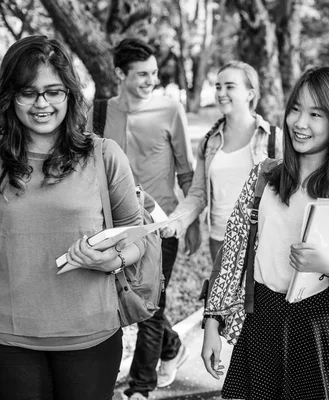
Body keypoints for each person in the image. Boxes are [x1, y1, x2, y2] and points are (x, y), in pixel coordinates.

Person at [200, 66, 329, 400]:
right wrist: (213, 321)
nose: (299, 123)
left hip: (320, 327)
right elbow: (234, 251)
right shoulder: (265, 176)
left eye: (315, 114)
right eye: (295, 108)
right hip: (262, 321)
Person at [0, 35, 145, 400]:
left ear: (69, 93)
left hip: (90, 337)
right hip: (8, 339)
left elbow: (139, 238)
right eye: (28, 92)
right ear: (9, 96)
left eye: (53, 91)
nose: (42, 104)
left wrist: (111, 260)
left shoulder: (103, 155)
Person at [94, 38, 196, 400]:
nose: (150, 80)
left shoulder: (170, 110)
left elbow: (187, 171)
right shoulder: (100, 112)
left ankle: (140, 388)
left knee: (152, 306)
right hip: (113, 226)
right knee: (125, 301)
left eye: (153, 73)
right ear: (120, 74)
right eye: (141, 74)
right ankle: (171, 346)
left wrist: (191, 221)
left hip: (161, 224)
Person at [163, 60, 283, 263]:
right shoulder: (209, 142)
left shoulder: (273, 138)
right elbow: (198, 194)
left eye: (230, 87)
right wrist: (174, 223)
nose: (220, 93)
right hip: (220, 241)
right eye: (218, 86)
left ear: (250, 94)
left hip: (262, 241)